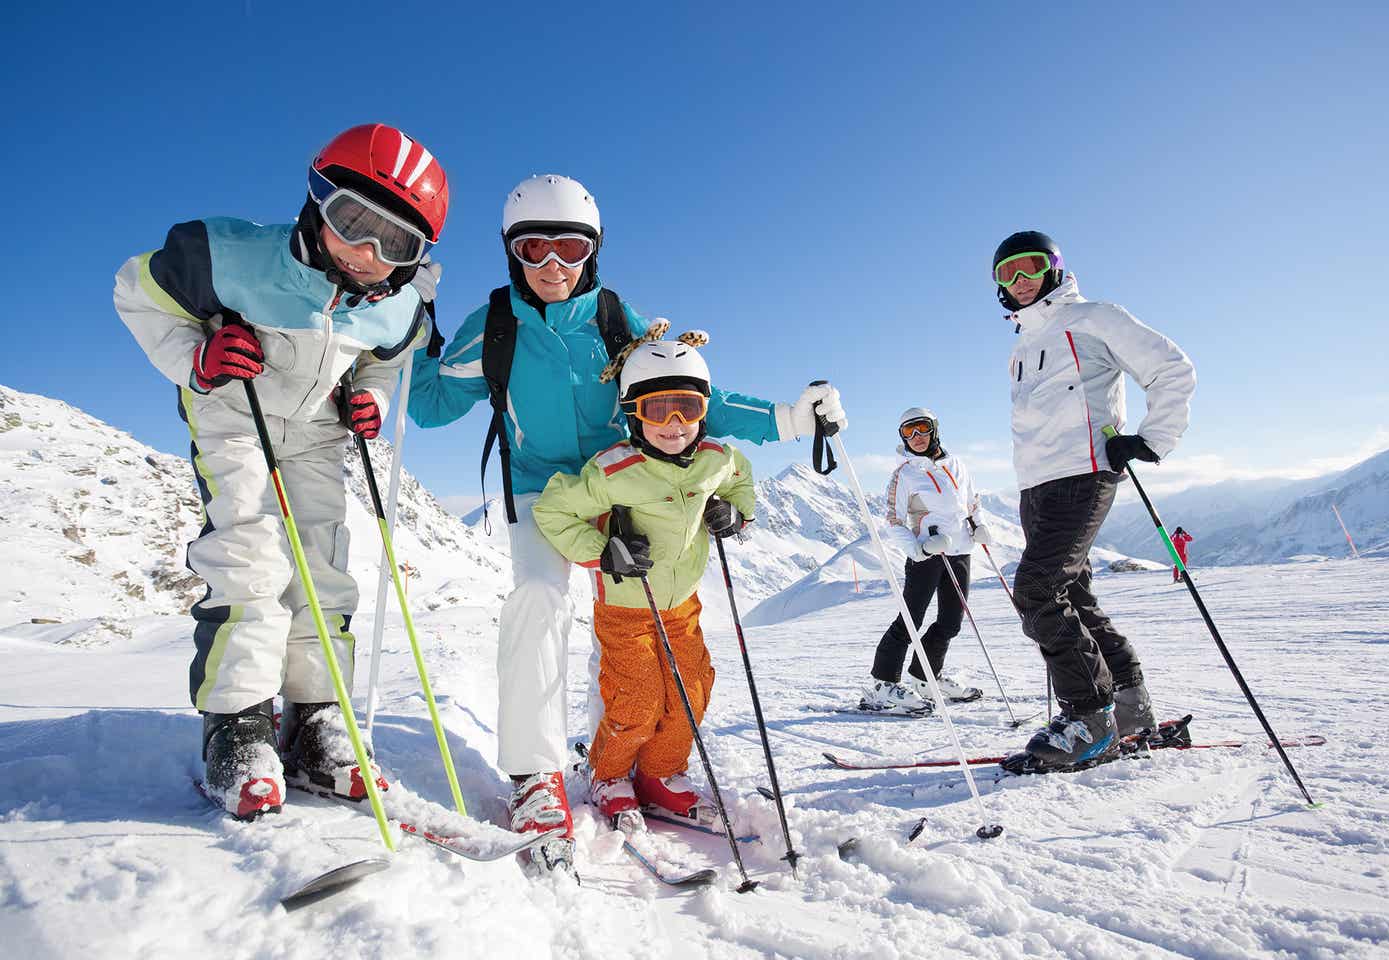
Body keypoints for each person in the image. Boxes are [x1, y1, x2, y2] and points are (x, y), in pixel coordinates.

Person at [406, 174, 846, 872]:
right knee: (541, 601)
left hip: (631, 487)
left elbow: (687, 393)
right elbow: (427, 408)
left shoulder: (618, 319)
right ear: (511, 254)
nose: (553, 265)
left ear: (594, 250)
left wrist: (791, 420)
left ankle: (629, 760)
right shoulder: (493, 326)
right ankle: (537, 776)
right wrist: (412, 316)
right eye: (533, 248)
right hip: (543, 495)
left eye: (570, 247)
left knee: (641, 630)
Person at [113, 124, 447, 819]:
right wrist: (197, 360)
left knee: (324, 565)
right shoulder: (226, 256)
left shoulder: (400, 304)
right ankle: (238, 724)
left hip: (319, 432)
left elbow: (391, 358)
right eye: (353, 222)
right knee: (250, 556)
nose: (367, 253)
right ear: (317, 200)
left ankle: (317, 719)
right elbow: (137, 292)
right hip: (236, 413)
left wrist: (373, 397)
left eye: (398, 246)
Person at [532, 333, 753, 833]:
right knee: (637, 698)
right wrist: (602, 551)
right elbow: (553, 509)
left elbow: (742, 480)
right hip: (627, 608)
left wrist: (734, 515)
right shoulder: (615, 470)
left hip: (682, 608)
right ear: (634, 412)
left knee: (691, 691)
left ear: (703, 409)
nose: (674, 426)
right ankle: (608, 775)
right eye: (658, 410)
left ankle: (658, 775)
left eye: (687, 408)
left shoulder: (717, 458)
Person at [993, 230, 1196, 772]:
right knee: (1072, 595)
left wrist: (1151, 439)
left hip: (1083, 475)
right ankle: (1129, 705)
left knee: (1036, 588)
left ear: (1054, 268)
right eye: (1006, 274)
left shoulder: (1094, 318)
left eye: (1028, 267)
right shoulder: (1020, 344)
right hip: (1036, 487)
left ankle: (1091, 717)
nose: (1019, 281)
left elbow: (1171, 368)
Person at [861, 407, 991, 714]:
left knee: (950, 622)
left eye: (921, 429)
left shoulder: (957, 464)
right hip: (927, 555)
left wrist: (979, 524)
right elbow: (893, 521)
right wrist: (919, 550)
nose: (916, 437)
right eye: (908, 432)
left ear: (934, 429)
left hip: (960, 551)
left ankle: (924, 677)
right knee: (911, 619)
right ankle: (883, 684)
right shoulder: (904, 475)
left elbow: (973, 501)